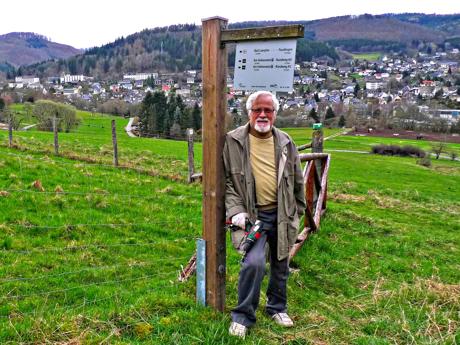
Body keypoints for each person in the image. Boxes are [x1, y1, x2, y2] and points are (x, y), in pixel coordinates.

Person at [223, 90, 306, 338]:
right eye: (257, 109)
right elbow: (227, 181)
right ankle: (243, 316)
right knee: (254, 263)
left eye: (267, 110)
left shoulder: (285, 141)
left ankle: (276, 308)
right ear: (248, 112)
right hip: (251, 216)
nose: (262, 114)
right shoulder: (233, 141)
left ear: (275, 114)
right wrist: (236, 211)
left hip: (281, 212)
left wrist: (298, 210)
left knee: (281, 262)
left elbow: (298, 179)